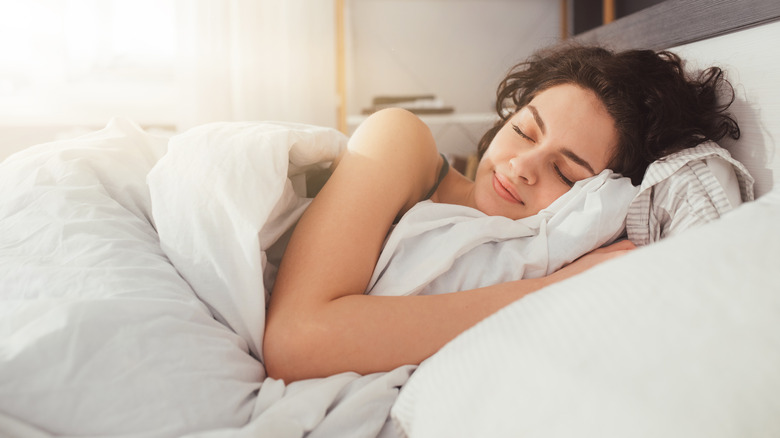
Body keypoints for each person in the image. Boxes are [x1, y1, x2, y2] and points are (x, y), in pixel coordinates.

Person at [263, 44, 739, 383]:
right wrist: (551, 292)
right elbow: (295, 341)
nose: (522, 166)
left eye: (567, 174)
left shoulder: (540, 252)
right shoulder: (402, 140)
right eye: (525, 132)